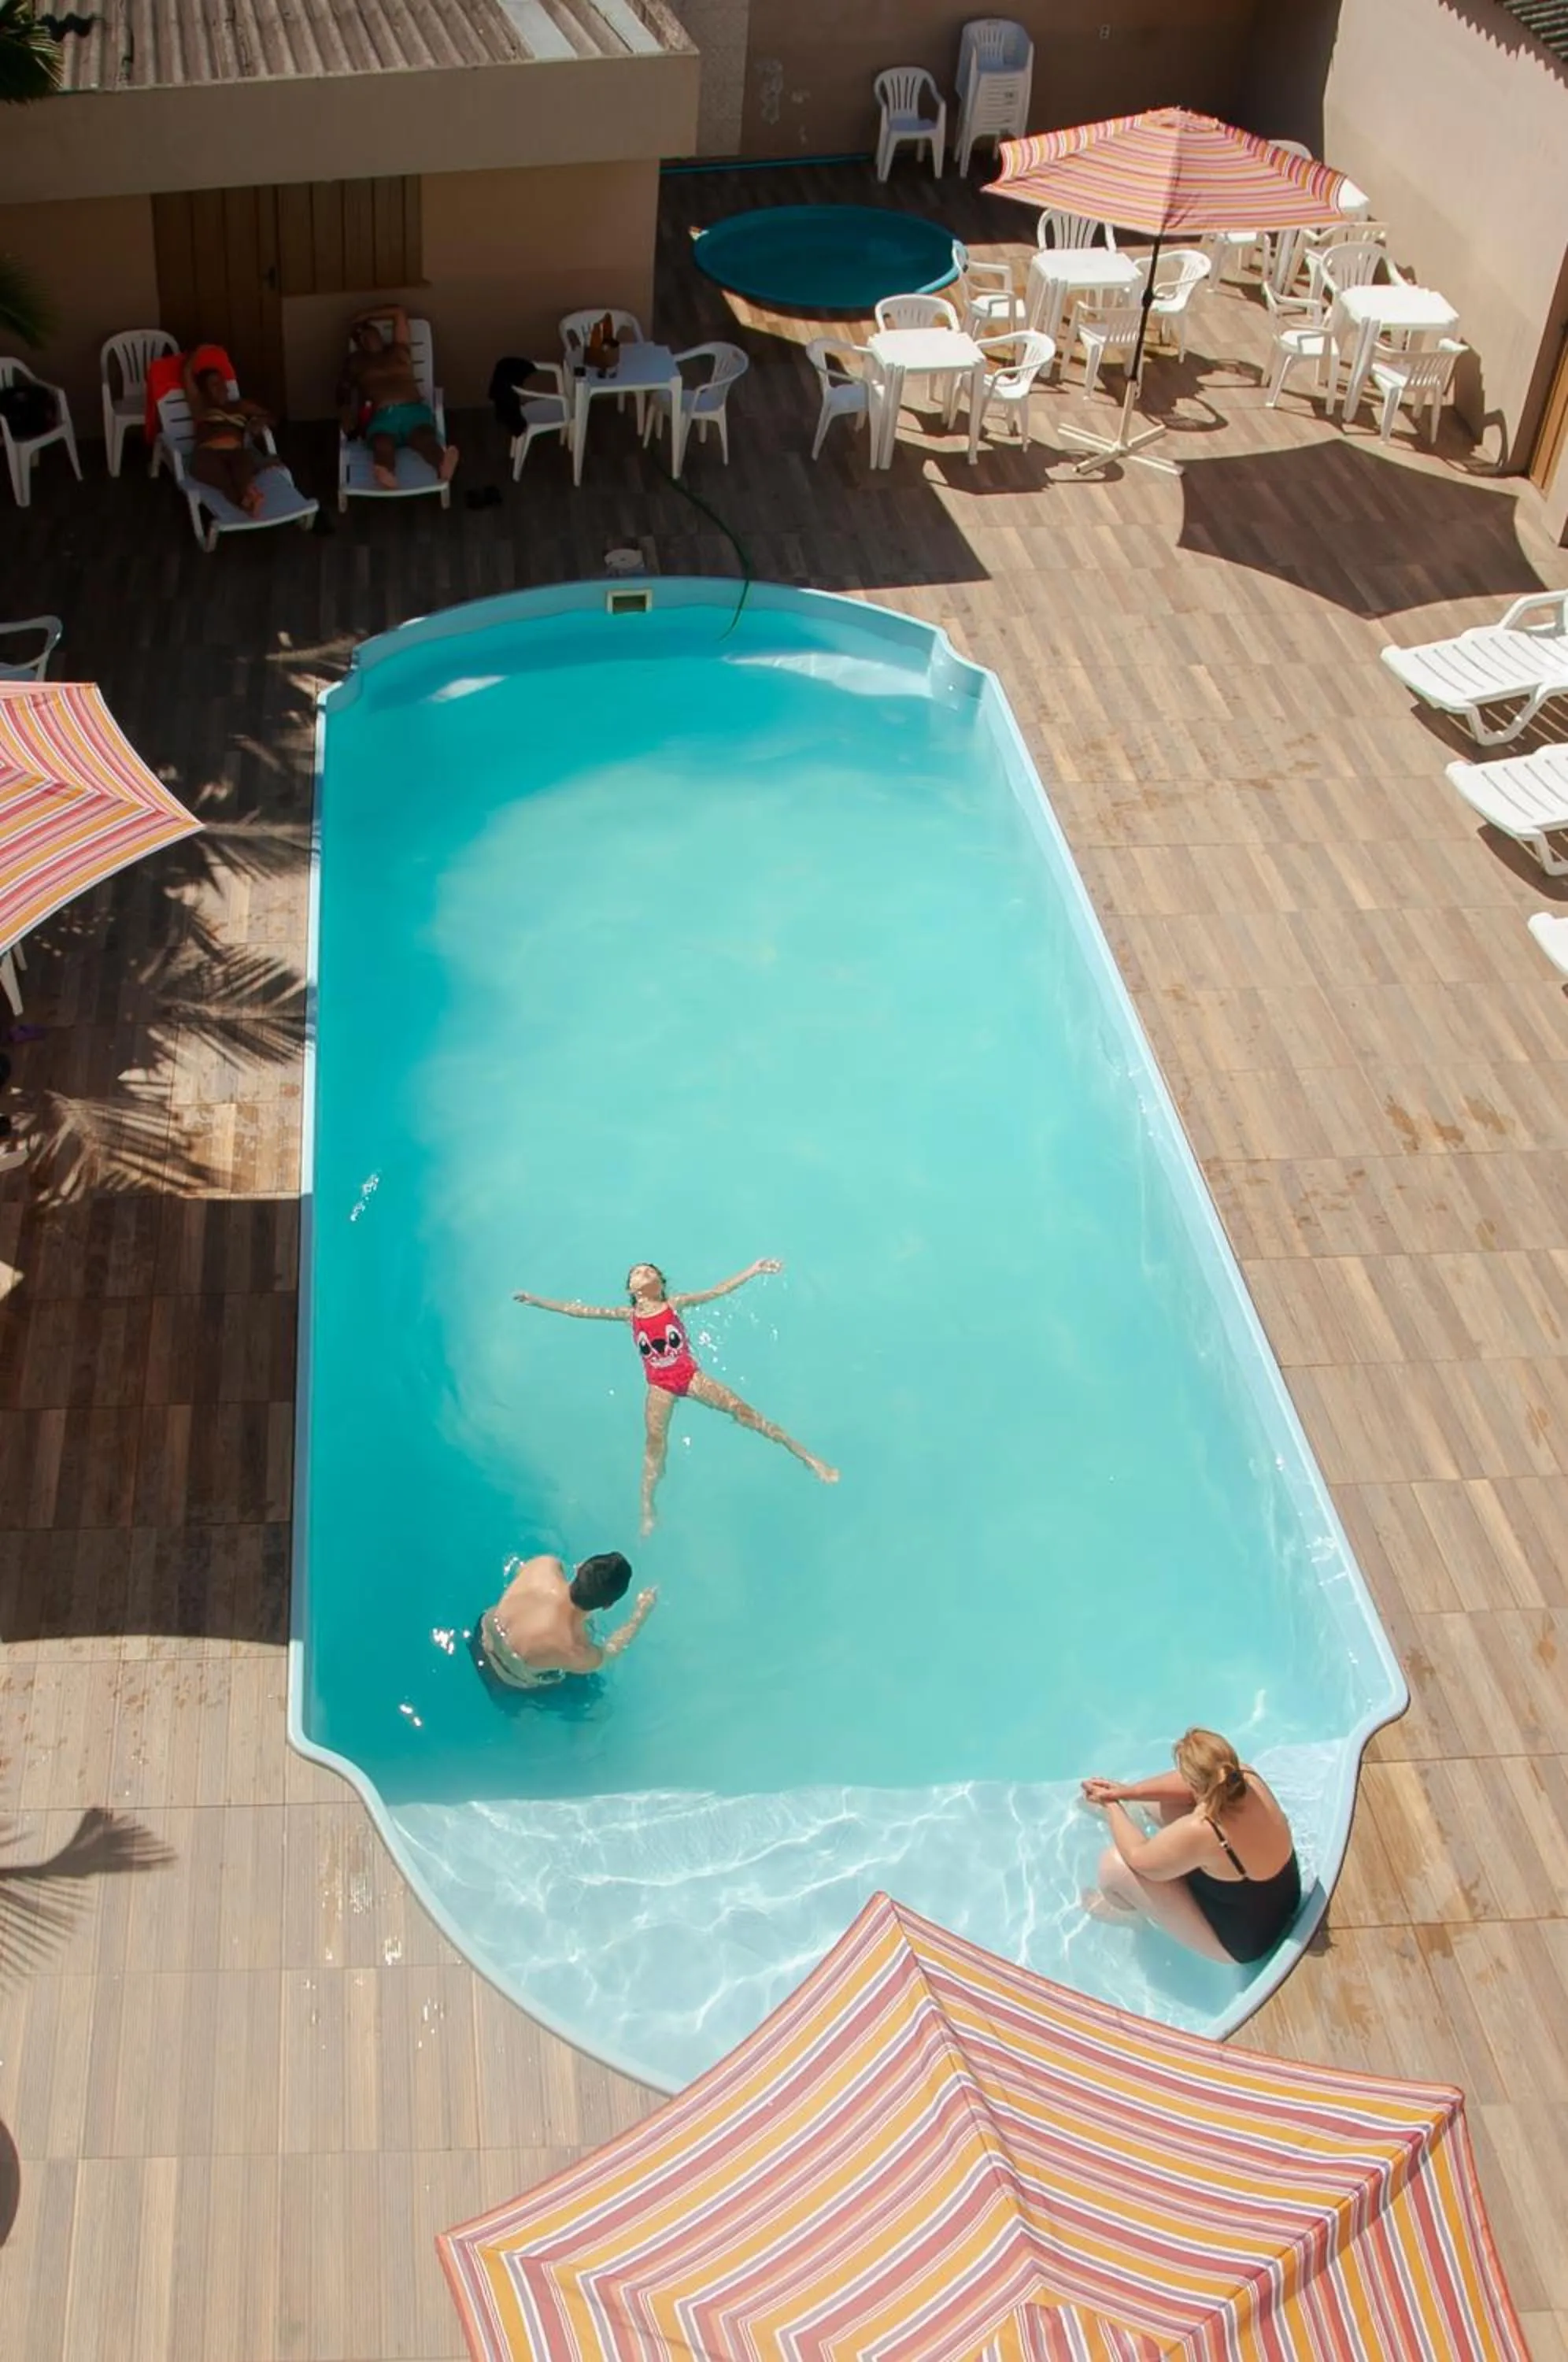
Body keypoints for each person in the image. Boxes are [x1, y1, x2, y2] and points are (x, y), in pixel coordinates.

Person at [513, 1259, 838, 1534]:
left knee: (745, 1412)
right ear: (631, 1290)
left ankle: (809, 1458)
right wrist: (539, 1301)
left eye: (648, 1270)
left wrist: (752, 1270)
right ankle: (646, 1508)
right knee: (655, 1442)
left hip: (691, 1376)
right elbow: (578, 1310)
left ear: (659, 1281)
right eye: (636, 1272)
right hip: (659, 1385)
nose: (642, 1272)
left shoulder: (674, 1305)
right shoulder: (629, 1316)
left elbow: (717, 1291)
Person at [1080, 1727, 1302, 1964]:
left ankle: (1132, 1919)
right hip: (1287, 1896)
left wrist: (1112, 1806)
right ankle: (1132, 1816)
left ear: (1197, 1782)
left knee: (1114, 1868)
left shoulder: (1204, 1830)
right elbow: (1183, 1787)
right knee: (1161, 1804)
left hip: (1252, 1941)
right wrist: (1129, 1792)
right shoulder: (1246, 1776)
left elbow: (1138, 1859)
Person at [477, 1550, 655, 1691]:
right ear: (608, 1606)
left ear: (579, 1568)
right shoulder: (577, 1650)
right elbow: (609, 1653)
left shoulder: (544, 1566)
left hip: (482, 1635)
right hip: (507, 1679)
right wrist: (640, 1615)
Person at [340, 306, 459, 491]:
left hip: (413, 411)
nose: (369, 337)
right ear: (359, 342)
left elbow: (399, 313)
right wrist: (346, 411)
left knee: (424, 439)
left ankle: (443, 465)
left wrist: (368, 315)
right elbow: (343, 388)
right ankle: (387, 474)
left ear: (380, 335)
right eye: (362, 335)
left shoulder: (399, 350)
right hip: (382, 417)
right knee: (382, 443)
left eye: (372, 331)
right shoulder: (356, 362)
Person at [183, 357, 281, 517]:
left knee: (242, 463)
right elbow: (187, 371)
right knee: (224, 476)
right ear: (205, 392)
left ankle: (246, 501)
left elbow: (272, 417)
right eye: (215, 385)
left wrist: (260, 421)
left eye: (223, 383)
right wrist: (200, 353)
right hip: (206, 454)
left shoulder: (240, 406)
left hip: (236, 452)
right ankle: (248, 495)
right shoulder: (201, 407)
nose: (222, 388)